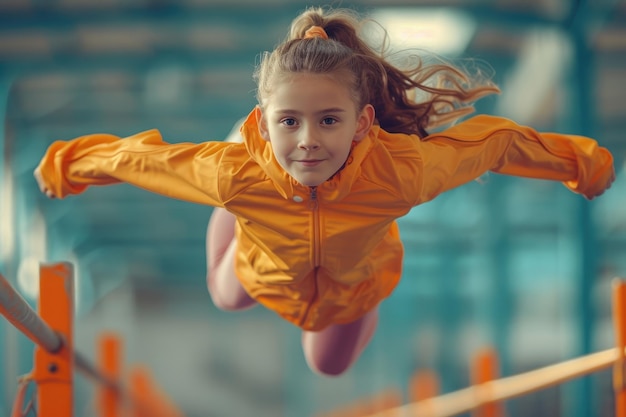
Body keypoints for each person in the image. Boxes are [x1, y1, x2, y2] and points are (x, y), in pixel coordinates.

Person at [34, 6, 615, 377]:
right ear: (266, 123)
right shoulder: (233, 170)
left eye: (329, 121)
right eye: (290, 122)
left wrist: (580, 164)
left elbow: (495, 142)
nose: (310, 141)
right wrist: (68, 166)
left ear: (362, 123)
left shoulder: (402, 171)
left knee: (327, 366)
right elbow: (140, 160)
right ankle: (234, 223)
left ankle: (357, 296)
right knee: (226, 294)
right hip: (263, 261)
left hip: (351, 284)